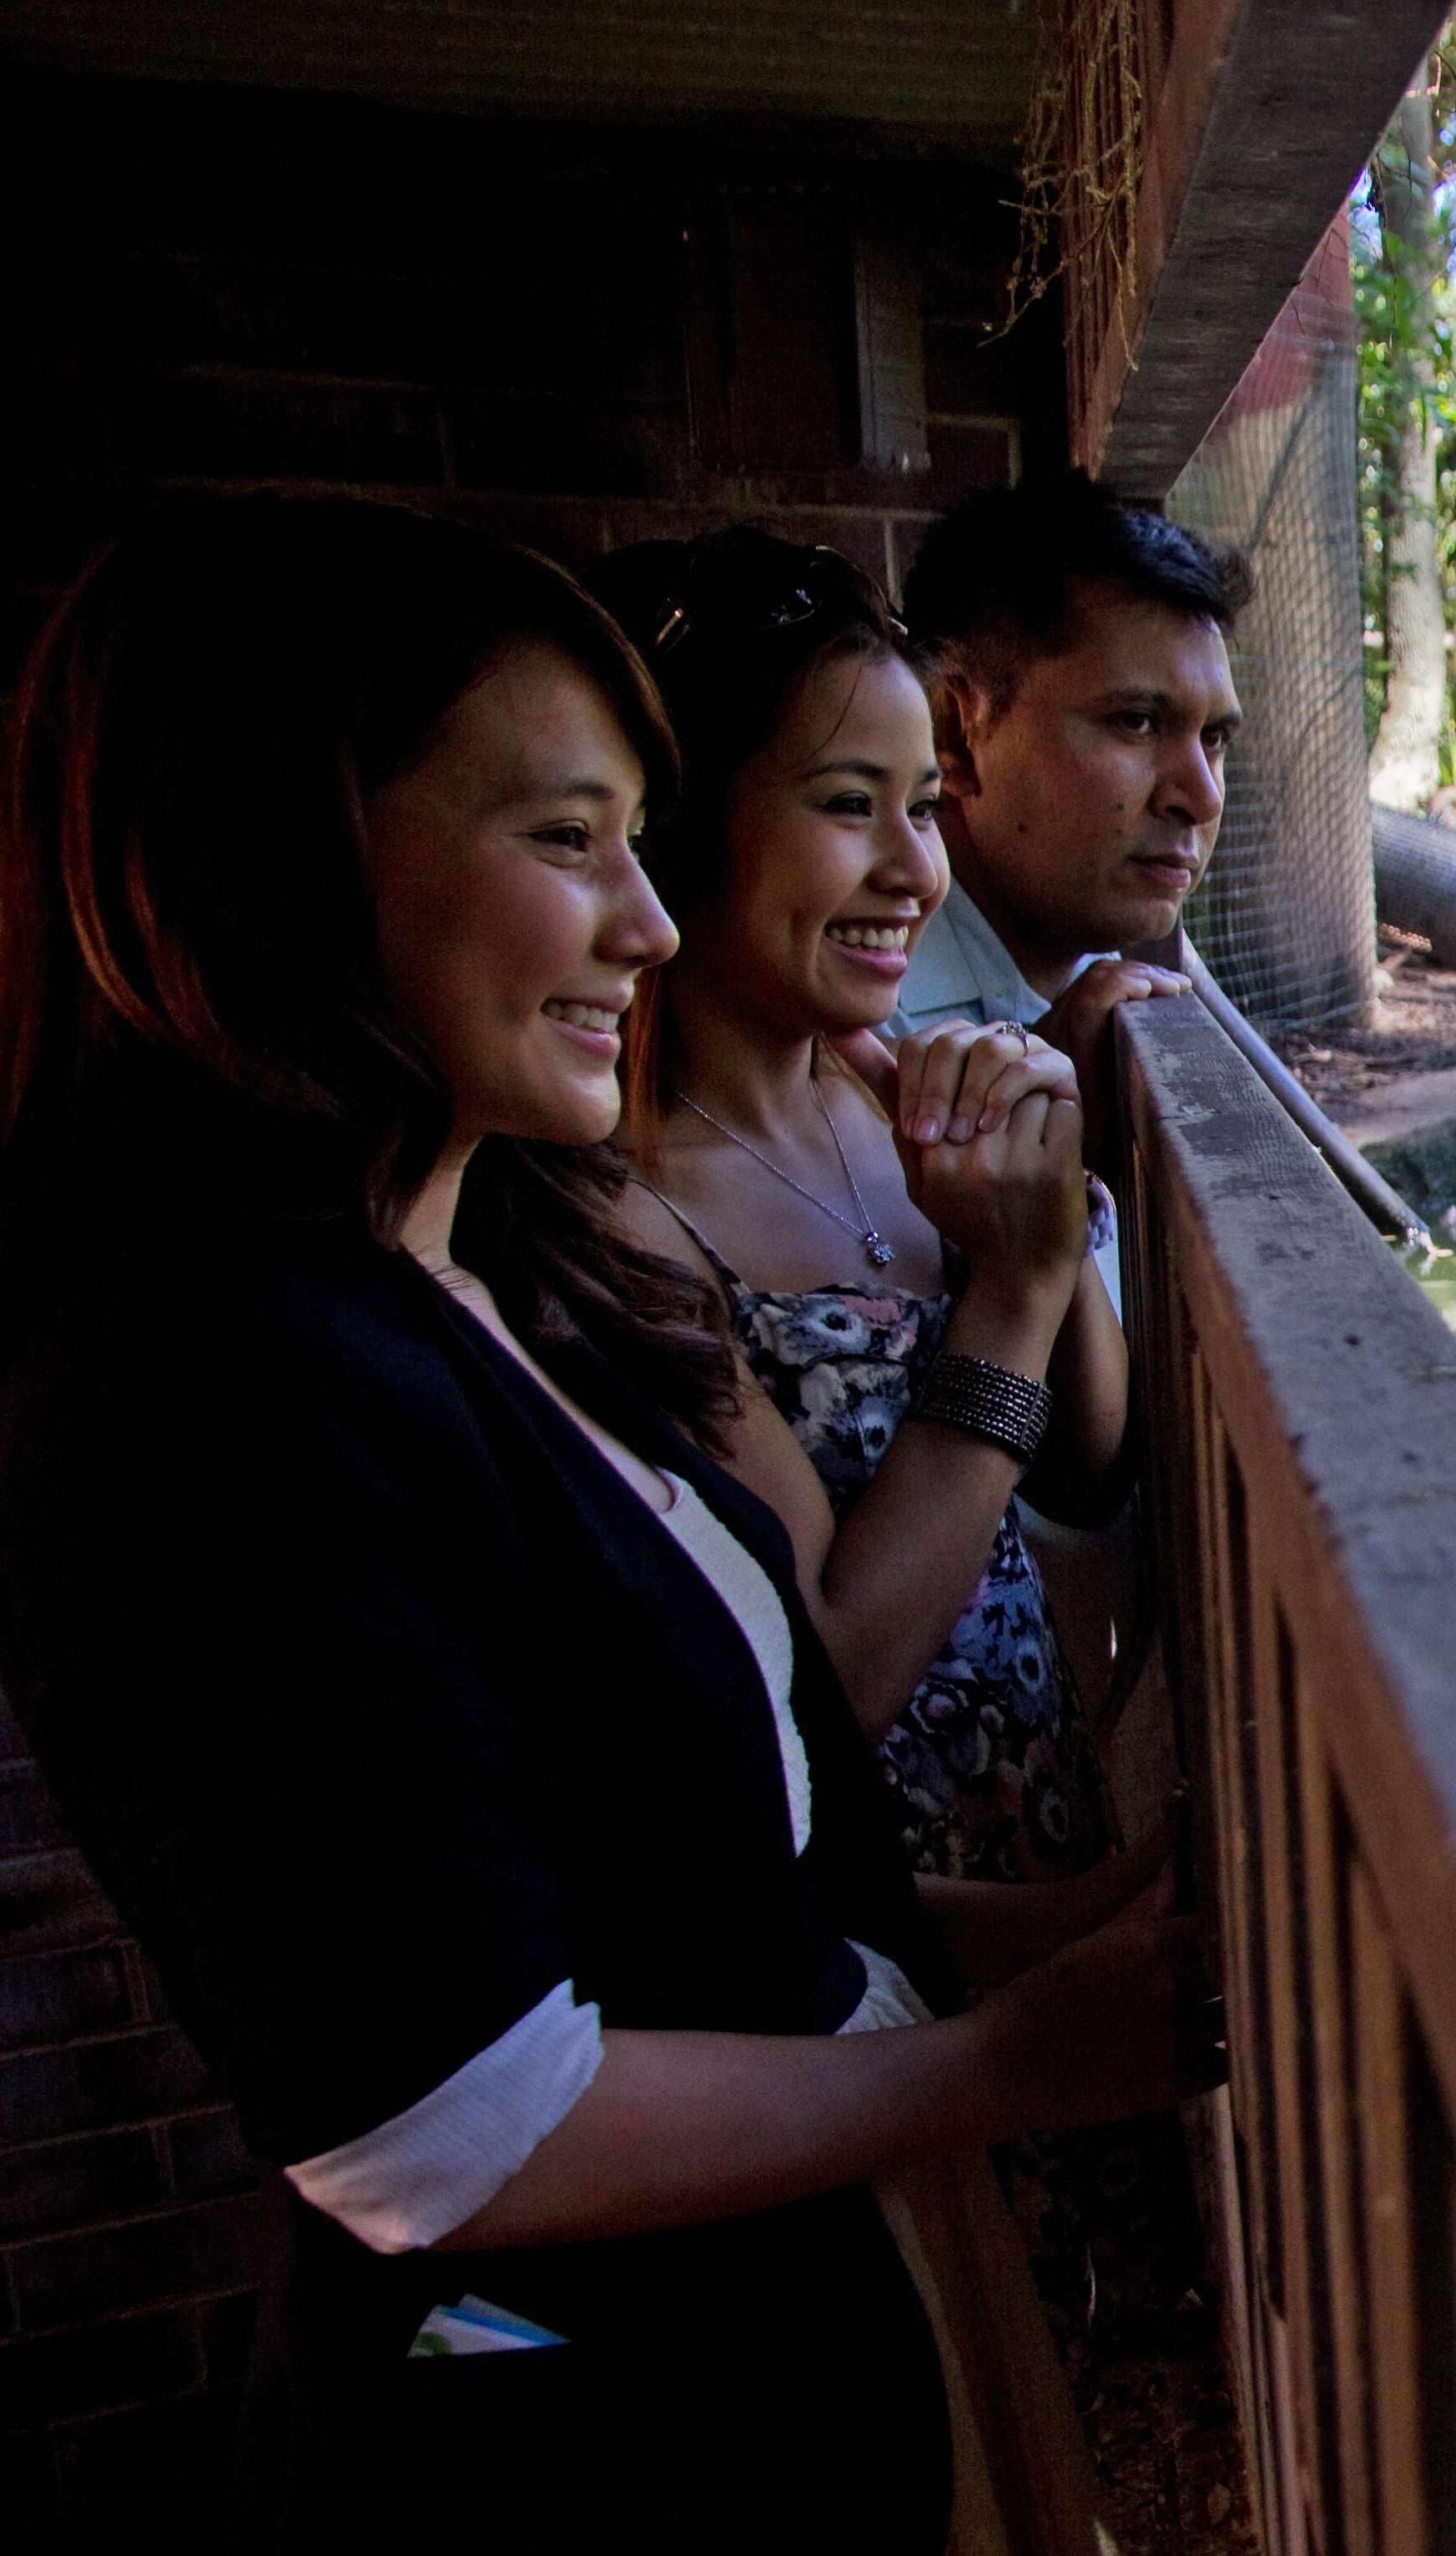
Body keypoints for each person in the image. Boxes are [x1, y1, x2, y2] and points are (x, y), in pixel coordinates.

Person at [0, 499, 1217, 2546]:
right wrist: (1004, 2060)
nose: (639, 925)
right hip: (552, 2427)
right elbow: (444, 2121)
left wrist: (1074, 1926)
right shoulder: (193, 1387)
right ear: (279, 862)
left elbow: (691, 1891)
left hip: (749, 2366)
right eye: (566, 843)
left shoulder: (446, 1277)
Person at [584, 527, 1121, 1881]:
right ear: (677, 819)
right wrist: (1009, 1295)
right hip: (871, 1978)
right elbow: (836, 1670)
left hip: (1047, 1877)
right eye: (845, 805)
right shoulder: (616, 1217)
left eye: (925, 805)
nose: (913, 870)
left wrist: (1045, 1208)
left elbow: (1082, 1467)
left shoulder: (892, 1102)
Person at [889, 470, 1238, 1074]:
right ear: (955, 736)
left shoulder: (1087, 984)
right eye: (1136, 721)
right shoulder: (851, 1043)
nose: (1202, 798)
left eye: (1214, 738)